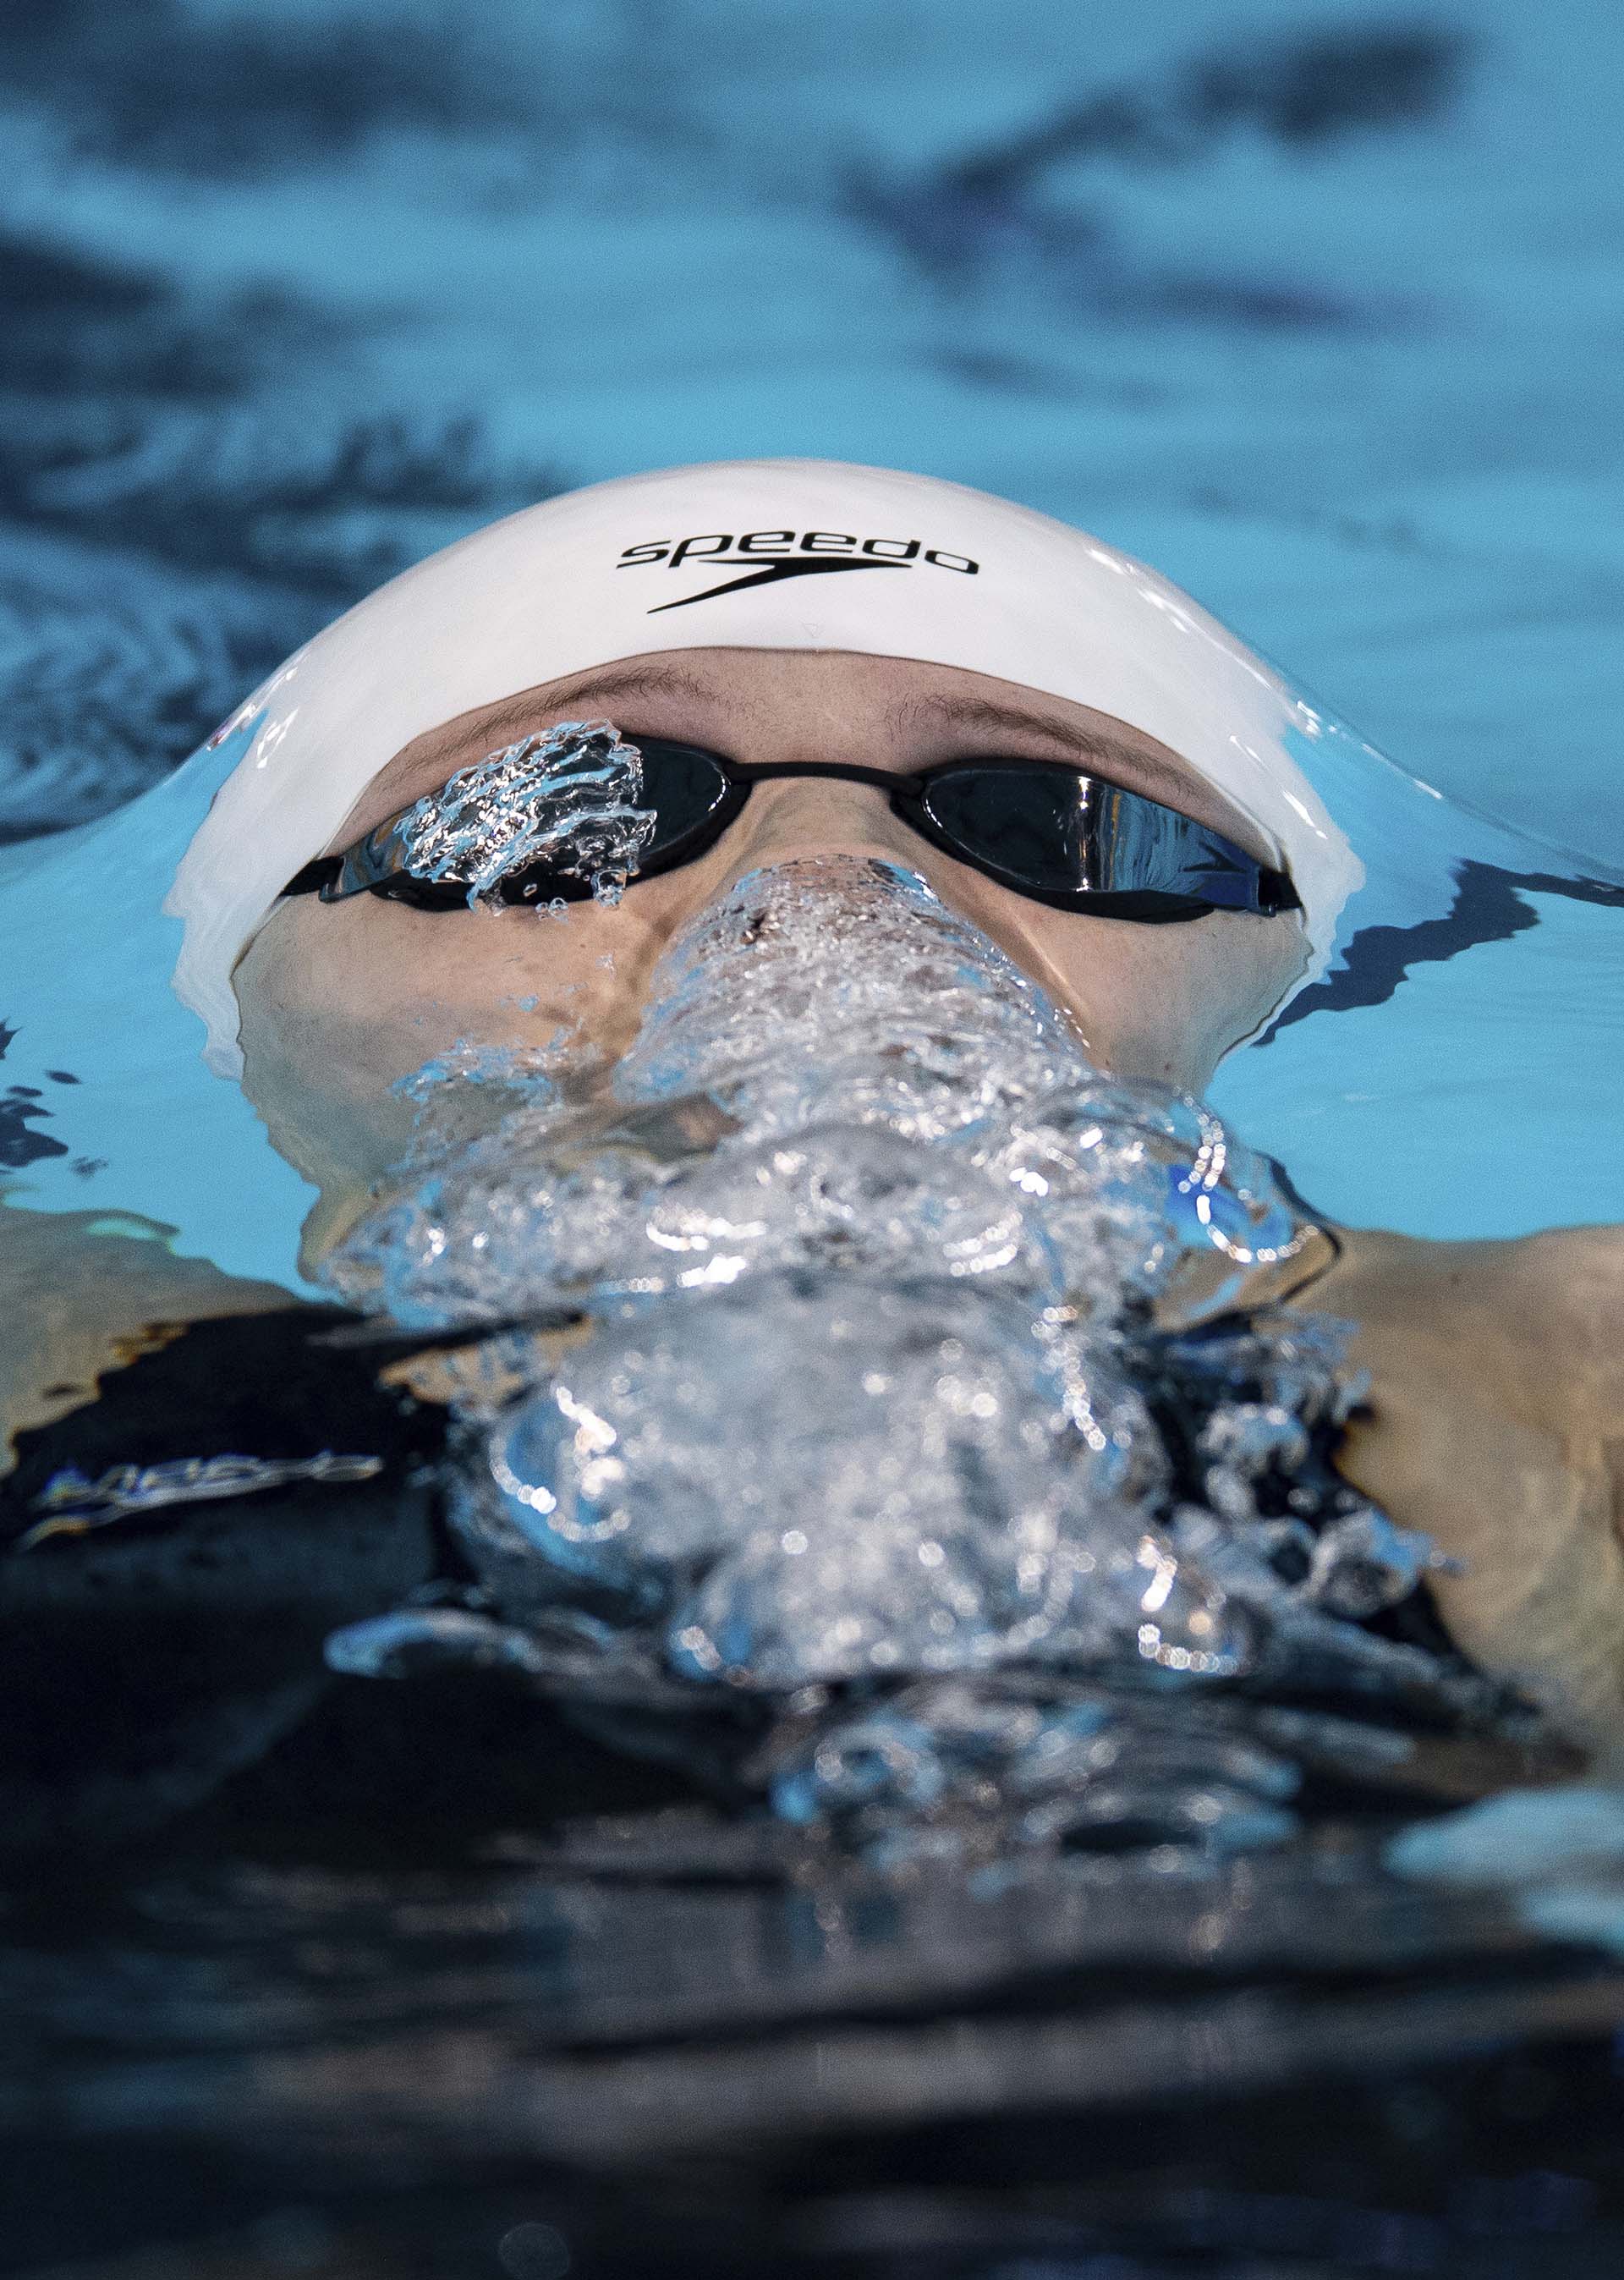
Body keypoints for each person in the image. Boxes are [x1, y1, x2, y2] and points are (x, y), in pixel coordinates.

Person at [3, 460, 1620, 1737]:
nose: (825, 879)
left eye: (1052, 820)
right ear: (252, 985)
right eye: (580, 809)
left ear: (1279, 982)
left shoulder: (1560, 1380)